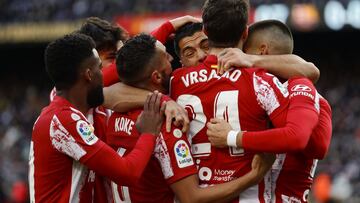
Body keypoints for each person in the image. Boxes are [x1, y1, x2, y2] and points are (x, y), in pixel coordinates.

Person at [107, 33, 274, 203]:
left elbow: (106, 93)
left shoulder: (113, 116)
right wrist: (254, 176)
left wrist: (164, 99)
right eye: (166, 56)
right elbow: (192, 198)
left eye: (205, 46)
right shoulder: (166, 125)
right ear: (156, 77)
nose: (171, 58)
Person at [169, 0, 297, 202]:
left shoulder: (174, 83)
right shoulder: (260, 80)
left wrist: (162, 99)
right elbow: (297, 136)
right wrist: (236, 138)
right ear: (245, 33)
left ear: (205, 31)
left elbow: (124, 73)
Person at [28, 33, 165, 202]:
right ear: (88, 75)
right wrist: (148, 133)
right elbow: (128, 173)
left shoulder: (62, 114)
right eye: (100, 68)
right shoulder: (64, 121)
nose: (105, 75)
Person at [206, 20, 332, 203]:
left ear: (261, 51)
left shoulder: (302, 88)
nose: (237, 59)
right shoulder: (250, 93)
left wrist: (232, 137)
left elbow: (314, 145)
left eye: (244, 52)